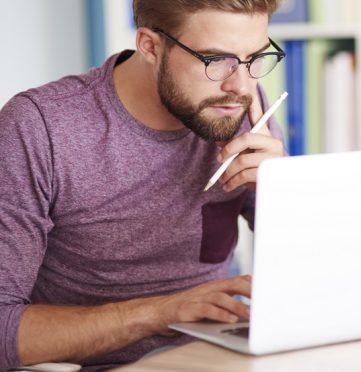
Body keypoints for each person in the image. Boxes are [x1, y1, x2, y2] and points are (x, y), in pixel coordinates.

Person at [0, 0, 286, 370]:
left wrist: (283, 194)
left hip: (217, 359)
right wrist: (161, 313)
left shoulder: (243, 109)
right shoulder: (39, 128)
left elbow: (311, 277)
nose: (242, 85)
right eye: (216, 61)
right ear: (150, 45)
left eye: (256, 57)